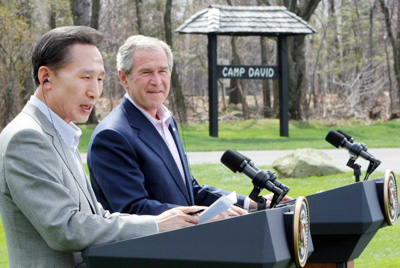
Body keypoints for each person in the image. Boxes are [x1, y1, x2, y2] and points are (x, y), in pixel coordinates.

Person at [0, 26, 204, 268]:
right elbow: (65, 228)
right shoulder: (27, 137)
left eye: (99, 79)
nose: (95, 92)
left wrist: (165, 219)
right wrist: (157, 225)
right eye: (86, 78)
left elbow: (97, 217)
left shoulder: (59, 131)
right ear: (46, 77)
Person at [88, 35, 261, 216]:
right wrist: (203, 214)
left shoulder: (167, 122)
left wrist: (249, 203)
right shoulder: (112, 136)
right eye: (146, 72)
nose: (156, 81)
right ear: (124, 78)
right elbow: (133, 210)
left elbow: (189, 190)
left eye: (162, 71)